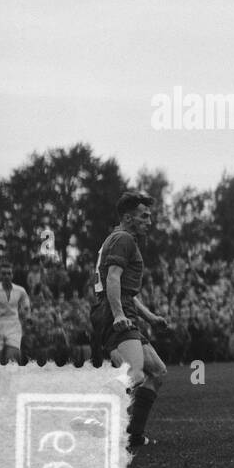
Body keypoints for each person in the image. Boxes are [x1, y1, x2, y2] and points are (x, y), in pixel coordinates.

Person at [89, 191, 169, 449]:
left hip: (120, 309)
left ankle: (134, 435)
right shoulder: (124, 238)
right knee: (134, 373)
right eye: (143, 216)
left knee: (156, 371)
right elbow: (113, 279)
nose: (149, 221)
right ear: (127, 217)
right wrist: (119, 315)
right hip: (114, 312)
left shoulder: (119, 238)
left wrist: (150, 317)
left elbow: (122, 287)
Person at [0, 261, 32, 364]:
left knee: (12, 358)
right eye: (3, 273)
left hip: (14, 326)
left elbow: (26, 306)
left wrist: (27, 317)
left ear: (12, 275)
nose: (6, 276)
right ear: (0, 275)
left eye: (9, 273)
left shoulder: (20, 290)